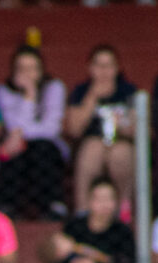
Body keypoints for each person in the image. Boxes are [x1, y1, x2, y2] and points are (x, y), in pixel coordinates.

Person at [0, 45, 66, 222]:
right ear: (13, 71)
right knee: (15, 151)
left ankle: (52, 205)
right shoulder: (3, 92)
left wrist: (31, 94)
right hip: (17, 147)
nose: (27, 74)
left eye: (32, 68)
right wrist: (29, 96)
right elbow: (12, 127)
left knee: (40, 147)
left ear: (41, 70)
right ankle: (8, 207)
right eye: (21, 69)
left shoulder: (54, 88)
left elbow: (51, 130)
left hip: (49, 148)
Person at [63, 44, 135, 212]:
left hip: (121, 141)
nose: (103, 71)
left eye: (108, 65)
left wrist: (121, 123)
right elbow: (74, 129)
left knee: (120, 153)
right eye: (98, 65)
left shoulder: (127, 91)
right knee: (92, 150)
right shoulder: (81, 92)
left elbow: (138, 129)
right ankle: (83, 211)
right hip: (92, 142)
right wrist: (92, 97)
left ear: (117, 68)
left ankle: (123, 208)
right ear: (90, 68)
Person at [47, 177, 133, 263]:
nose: (104, 204)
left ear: (116, 202)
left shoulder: (123, 232)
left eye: (109, 199)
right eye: (99, 199)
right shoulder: (74, 227)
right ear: (90, 201)